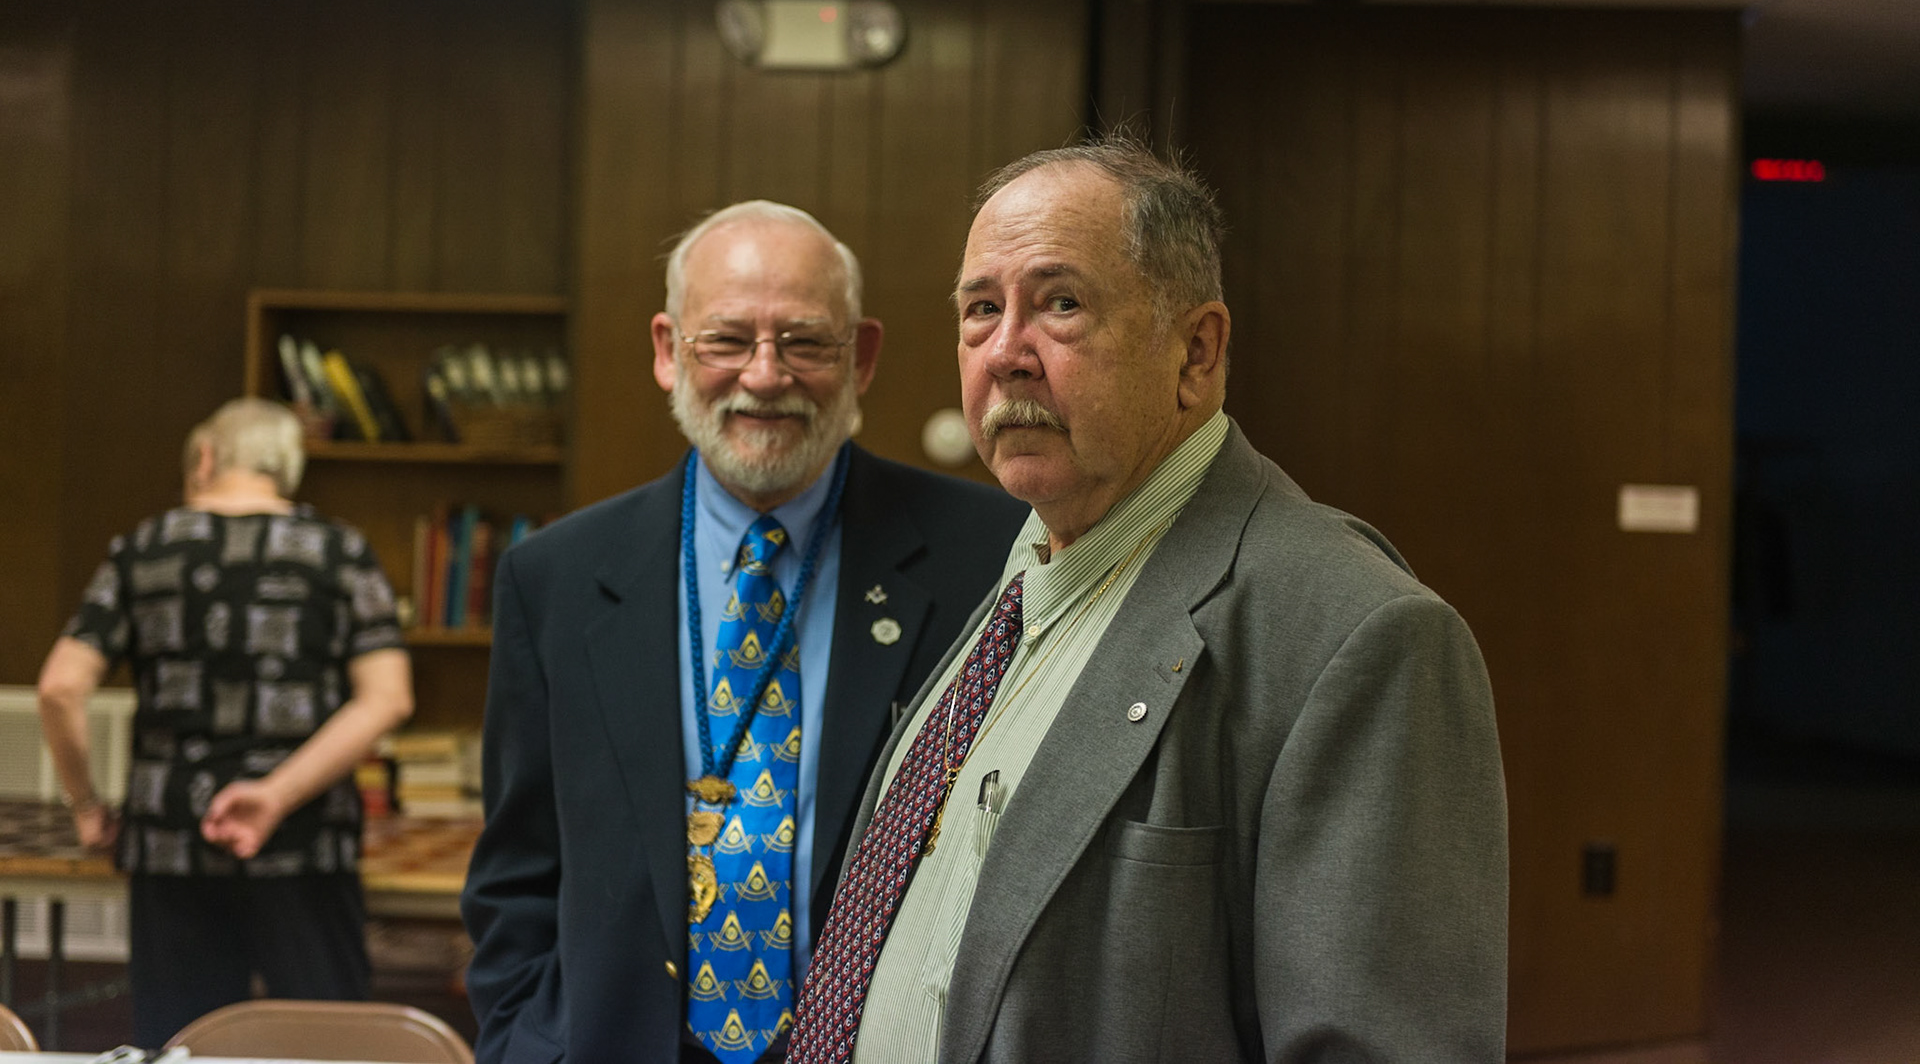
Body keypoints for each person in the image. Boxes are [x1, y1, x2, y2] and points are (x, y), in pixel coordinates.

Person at [789, 139, 1509, 1063]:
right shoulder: (1024, 571)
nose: (1006, 353)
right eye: (981, 310)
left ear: (1197, 352)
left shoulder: (1359, 634)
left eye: (1061, 303)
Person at [460, 201, 1026, 1064]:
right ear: (667, 351)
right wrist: (527, 1043)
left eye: (804, 342)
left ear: (861, 357)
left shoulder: (988, 559)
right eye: (725, 340)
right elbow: (516, 874)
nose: (764, 376)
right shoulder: (555, 580)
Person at [37, 397, 414, 1048]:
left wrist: (88, 807)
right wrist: (276, 795)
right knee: (328, 1050)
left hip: (172, 845)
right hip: (304, 843)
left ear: (206, 458)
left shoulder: (143, 549)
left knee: (182, 1047)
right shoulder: (339, 552)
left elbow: (60, 687)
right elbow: (388, 699)